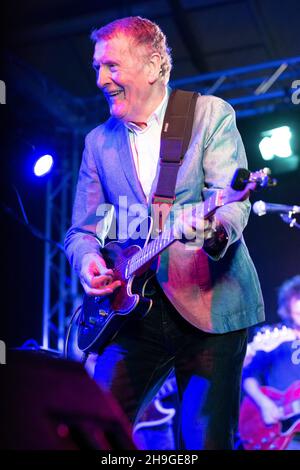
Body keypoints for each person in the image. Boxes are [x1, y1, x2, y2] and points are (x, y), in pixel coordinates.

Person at [64, 16, 264, 450]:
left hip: (211, 306)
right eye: (98, 67)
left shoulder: (209, 114)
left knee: (203, 441)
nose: (101, 79)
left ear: (154, 65)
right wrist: (89, 262)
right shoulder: (98, 142)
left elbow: (232, 200)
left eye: (112, 66)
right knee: (92, 431)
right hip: (133, 313)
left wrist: (211, 231)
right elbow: (83, 230)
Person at [242, 275, 300, 450]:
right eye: (298, 313)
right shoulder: (276, 339)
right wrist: (264, 404)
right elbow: (248, 376)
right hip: (280, 433)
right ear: (288, 312)